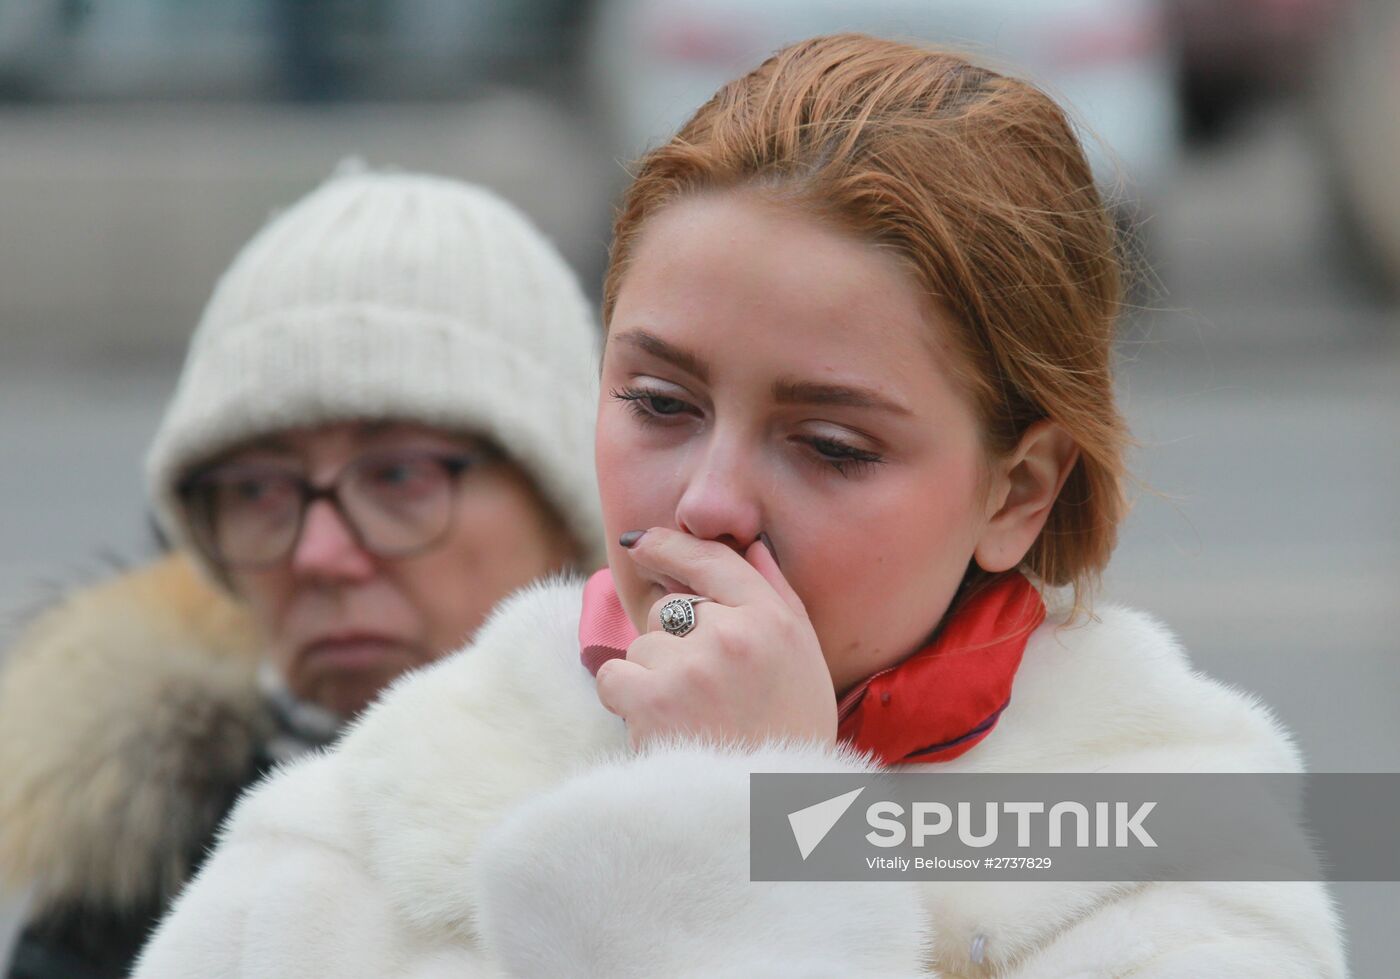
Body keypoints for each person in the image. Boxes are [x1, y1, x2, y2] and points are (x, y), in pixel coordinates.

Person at [133, 37, 1347, 977]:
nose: (708, 505)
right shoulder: (393, 799)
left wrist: (755, 829)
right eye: (658, 403)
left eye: (827, 445)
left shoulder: (1158, 845)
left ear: (1016, 493)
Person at [0, 166, 604, 979]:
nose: (317, 554)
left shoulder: (765, 751)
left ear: (566, 512)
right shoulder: (126, 876)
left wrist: (760, 780)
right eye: (256, 489)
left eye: (398, 476)